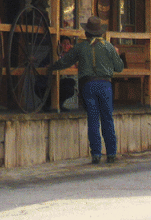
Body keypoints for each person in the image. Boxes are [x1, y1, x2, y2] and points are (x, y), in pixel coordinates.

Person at [51, 15, 124, 164]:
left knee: (93, 119)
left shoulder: (80, 47)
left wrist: (51, 67)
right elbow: (119, 67)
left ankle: (96, 154)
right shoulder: (108, 47)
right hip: (105, 84)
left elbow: (65, 61)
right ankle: (111, 153)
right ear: (100, 32)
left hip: (88, 85)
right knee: (107, 119)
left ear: (86, 33)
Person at [56, 36, 78, 109]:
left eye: (68, 44)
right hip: (57, 79)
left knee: (70, 84)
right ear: (60, 44)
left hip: (69, 79)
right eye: (64, 43)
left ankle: (61, 104)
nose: (66, 46)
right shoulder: (56, 55)